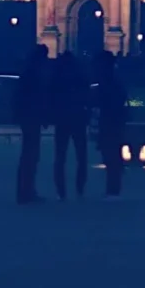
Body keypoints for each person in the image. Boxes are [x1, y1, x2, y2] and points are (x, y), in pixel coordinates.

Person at [50, 51, 90, 200]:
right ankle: (80, 186)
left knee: (60, 157)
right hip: (78, 118)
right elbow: (87, 95)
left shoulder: (57, 77)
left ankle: (61, 190)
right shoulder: (80, 76)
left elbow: (51, 97)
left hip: (62, 119)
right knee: (81, 156)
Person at [14, 44, 50, 204]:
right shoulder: (35, 74)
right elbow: (38, 97)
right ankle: (27, 190)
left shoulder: (28, 72)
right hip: (32, 116)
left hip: (27, 115)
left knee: (28, 155)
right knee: (31, 155)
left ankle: (24, 190)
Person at [93, 51, 128, 198]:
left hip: (109, 121)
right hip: (113, 121)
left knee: (110, 154)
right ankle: (113, 187)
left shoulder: (108, 82)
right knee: (111, 154)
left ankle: (113, 188)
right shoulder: (113, 80)